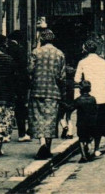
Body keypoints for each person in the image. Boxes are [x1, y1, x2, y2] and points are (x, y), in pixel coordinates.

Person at [29, 28, 67, 160]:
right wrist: (63, 92)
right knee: (50, 120)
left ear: (42, 39)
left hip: (37, 90)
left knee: (38, 118)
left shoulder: (36, 52)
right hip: (53, 91)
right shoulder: (60, 54)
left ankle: (42, 144)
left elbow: (30, 70)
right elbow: (62, 76)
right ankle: (48, 147)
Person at [74, 39, 105, 157]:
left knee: (86, 123)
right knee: (99, 124)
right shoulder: (104, 62)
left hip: (87, 99)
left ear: (85, 49)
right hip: (101, 97)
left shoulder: (82, 62)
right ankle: (96, 148)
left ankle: (87, 144)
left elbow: (76, 79)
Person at [7, 30, 31, 142]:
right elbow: (24, 68)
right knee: (20, 109)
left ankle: (6, 134)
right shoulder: (20, 50)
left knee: (7, 108)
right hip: (19, 84)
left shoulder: (6, 49)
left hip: (7, 83)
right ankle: (22, 134)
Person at [74, 80, 98, 163]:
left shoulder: (78, 100)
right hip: (91, 122)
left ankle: (83, 156)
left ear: (80, 89)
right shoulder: (93, 99)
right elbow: (96, 110)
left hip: (81, 123)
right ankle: (89, 152)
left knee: (81, 139)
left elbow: (70, 108)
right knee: (90, 138)